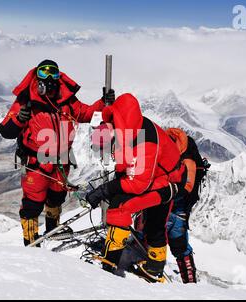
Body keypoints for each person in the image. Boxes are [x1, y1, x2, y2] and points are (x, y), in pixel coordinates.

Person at [0, 59, 115, 246]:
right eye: (44, 73)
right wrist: (20, 119)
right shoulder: (26, 100)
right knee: (32, 204)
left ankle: (52, 231)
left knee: (56, 197)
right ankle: (30, 241)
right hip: (37, 161)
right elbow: (6, 131)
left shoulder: (66, 100)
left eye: (53, 73)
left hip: (62, 160)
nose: (50, 77)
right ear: (37, 77)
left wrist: (103, 102)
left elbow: (85, 114)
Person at [86, 93, 186, 283]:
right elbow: (128, 163)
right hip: (161, 177)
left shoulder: (144, 141)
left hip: (167, 183)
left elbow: (139, 184)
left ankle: (109, 262)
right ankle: (154, 268)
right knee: (155, 223)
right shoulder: (130, 128)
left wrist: (106, 190)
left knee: (120, 206)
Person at [165, 128, 209, 283]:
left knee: (157, 237)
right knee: (180, 245)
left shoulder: (187, 160)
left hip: (176, 206)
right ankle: (189, 281)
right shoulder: (184, 152)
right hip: (179, 208)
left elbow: (186, 188)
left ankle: (189, 283)